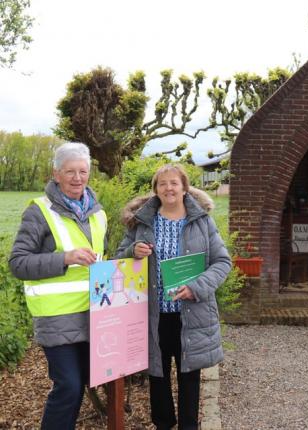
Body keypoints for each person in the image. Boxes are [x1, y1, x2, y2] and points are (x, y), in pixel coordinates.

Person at [116, 164, 231, 430]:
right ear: (155, 189)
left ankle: (189, 426)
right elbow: (119, 256)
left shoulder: (202, 221)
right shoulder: (142, 222)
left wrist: (197, 287)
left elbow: (222, 262)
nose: (169, 188)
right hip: (153, 312)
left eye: (174, 183)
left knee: (189, 374)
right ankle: (164, 424)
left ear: (184, 188)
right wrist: (133, 251)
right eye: (163, 183)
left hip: (190, 312)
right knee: (157, 373)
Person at [9, 142, 107, 430]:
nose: (78, 178)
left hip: (94, 314)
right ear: (56, 174)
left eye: (83, 171)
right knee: (69, 386)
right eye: (70, 172)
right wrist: (64, 258)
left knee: (84, 384)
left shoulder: (98, 214)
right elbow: (18, 263)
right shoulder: (39, 212)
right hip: (57, 317)